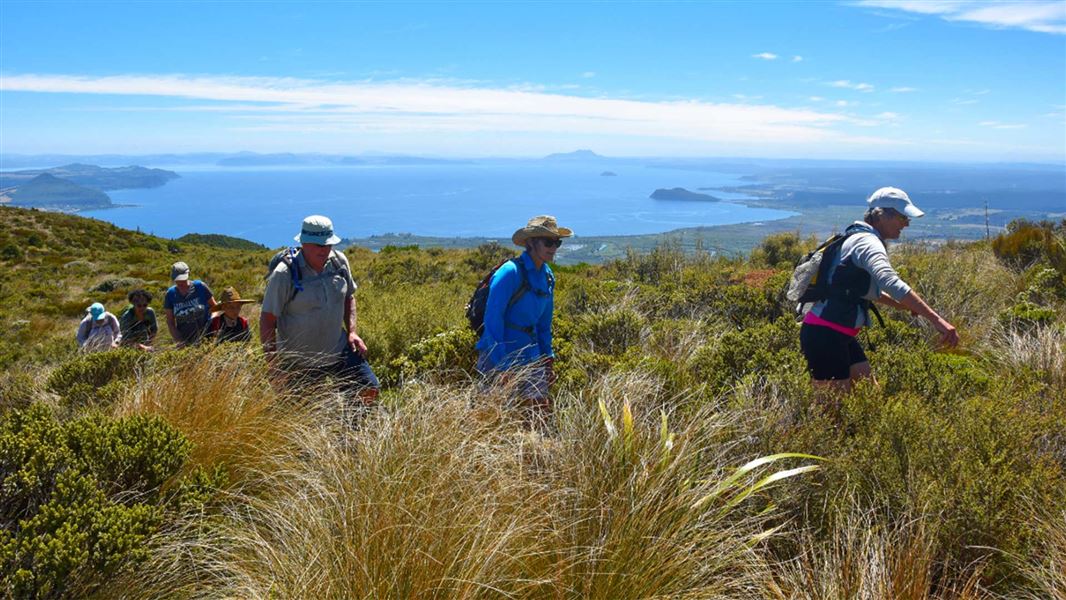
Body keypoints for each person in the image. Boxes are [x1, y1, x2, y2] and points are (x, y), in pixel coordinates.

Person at [799, 187, 960, 396]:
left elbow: (857, 289)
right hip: (826, 334)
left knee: (869, 395)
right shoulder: (868, 243)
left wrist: (901, 305)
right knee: (832, 412)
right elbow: (889, 281)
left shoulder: (857, 237)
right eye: (903, 217)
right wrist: (938, 320)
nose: (907, 223)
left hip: (837, 333)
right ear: (882, 215)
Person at [260, 215, 380, 408]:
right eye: (318, 245)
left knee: (369, 388)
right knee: (303, 415)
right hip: (301, 361)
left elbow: (349, 296)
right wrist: (273, 365)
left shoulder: (339, 262)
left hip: (337, 349)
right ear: (304, 243)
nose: (324, 250)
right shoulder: (285, 274)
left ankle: (352, 428)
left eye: (327, 244)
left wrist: (352, 332)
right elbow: (267, 320)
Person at [476, 215, 571, 422]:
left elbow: (544, 325)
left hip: (531, 355)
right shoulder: (510, 273)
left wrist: (548, 360)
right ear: (530, 243)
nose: (553, 247)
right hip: (498, 356)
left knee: (537, 418)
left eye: (557, 242)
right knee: (491, 419)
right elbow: (493, 321)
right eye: (548, 242)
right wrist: (502, 366)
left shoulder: (547, 277)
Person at [163, 261, 217, 347]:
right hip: (185, 341)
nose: (181, 283)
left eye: (183, 280)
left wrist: (213, 326)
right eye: (177, 280)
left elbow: (215, 308)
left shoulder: (200, 287)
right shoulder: (170, 294)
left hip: (208, 338)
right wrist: (179, 340)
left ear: (188, 275)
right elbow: (170, 322)